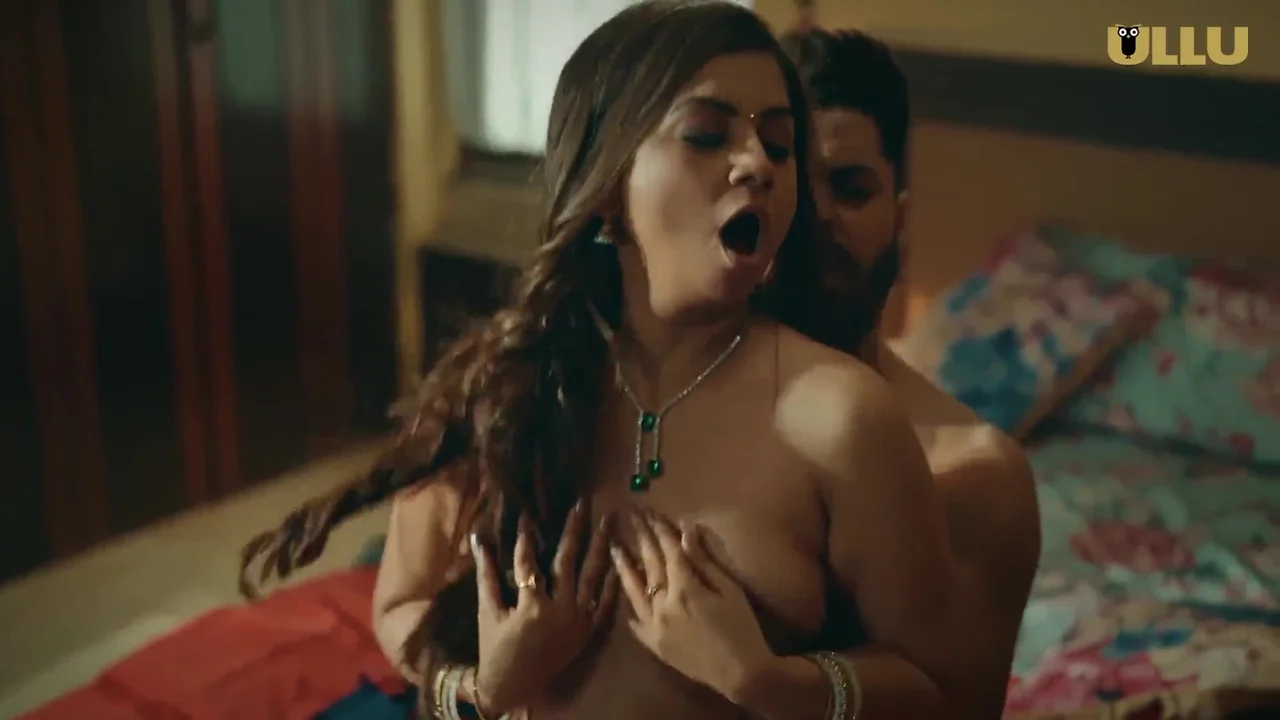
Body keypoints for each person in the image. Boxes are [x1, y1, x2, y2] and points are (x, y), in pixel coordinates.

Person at [241, 2, 964, 718]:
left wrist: (768, 682)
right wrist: (483, 688)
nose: (758, 165)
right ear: (607, 186)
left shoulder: (840, 417)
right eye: (706, 135)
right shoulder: (506, 386)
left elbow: (939, 689)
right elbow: (400, 603)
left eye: (778, 146)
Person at [781, 28, 1042, 717]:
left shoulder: (974, 474)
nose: (819, 218)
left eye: (850, 188)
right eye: (795, 186)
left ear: (899, 220)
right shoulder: (679, 409)